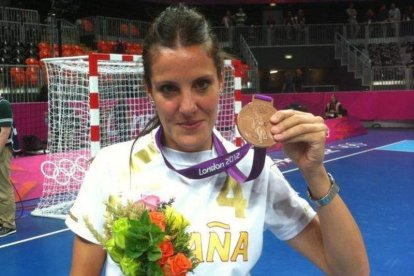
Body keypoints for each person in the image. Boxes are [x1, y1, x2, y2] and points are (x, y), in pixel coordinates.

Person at [65, 4, 369, 275]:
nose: (187, 107)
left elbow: (352, 272)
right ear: (149, 89)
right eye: (169, 89)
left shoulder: (253, 170)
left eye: (201, 84)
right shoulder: (114, 166)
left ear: (221, 82)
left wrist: (314, 173)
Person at [0, 95, 16, 237]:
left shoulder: (3, 104)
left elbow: (5, 132)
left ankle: (8, 224)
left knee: (3, 187)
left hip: (2, 150)